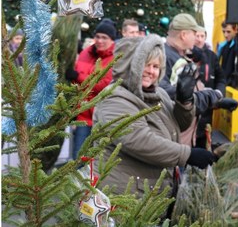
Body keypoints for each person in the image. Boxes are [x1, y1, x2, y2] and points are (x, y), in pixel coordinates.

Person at [93, 34, 218, 196]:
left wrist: (184, 101)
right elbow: (139, 140)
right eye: (146, 64)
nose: (151, 72)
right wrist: (187, 155)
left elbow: (179, 125)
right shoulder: (114, 97)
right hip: (125, 194)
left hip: (152, 190)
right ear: (131, 64)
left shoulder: (158, 93)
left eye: (156, 66)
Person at [160, 14, 238, 147]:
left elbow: (189, 93)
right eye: (195, 33)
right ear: (184, 35)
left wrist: (215, 101)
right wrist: (210, 96)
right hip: (171, 139)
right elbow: (167, 94)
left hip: (183, 136)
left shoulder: (180, 56)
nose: (197, 38)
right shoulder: (164, 57)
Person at [66, 20, 117, 159]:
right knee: (78, 158)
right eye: (98, 36)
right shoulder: (85, 53)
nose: (100, 40)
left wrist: (78, 77)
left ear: (112, 40)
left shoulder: (114, 58)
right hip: (83, 116)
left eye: (104, 37)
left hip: (102, 118)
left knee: (100, 159)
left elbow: (104, 84)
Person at [217, 22, 238, 87]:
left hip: (232, 85)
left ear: (236, 30)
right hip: (226, 83)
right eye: (223, 32)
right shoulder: (224, 45)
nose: (225, 35)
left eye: (228, 32)